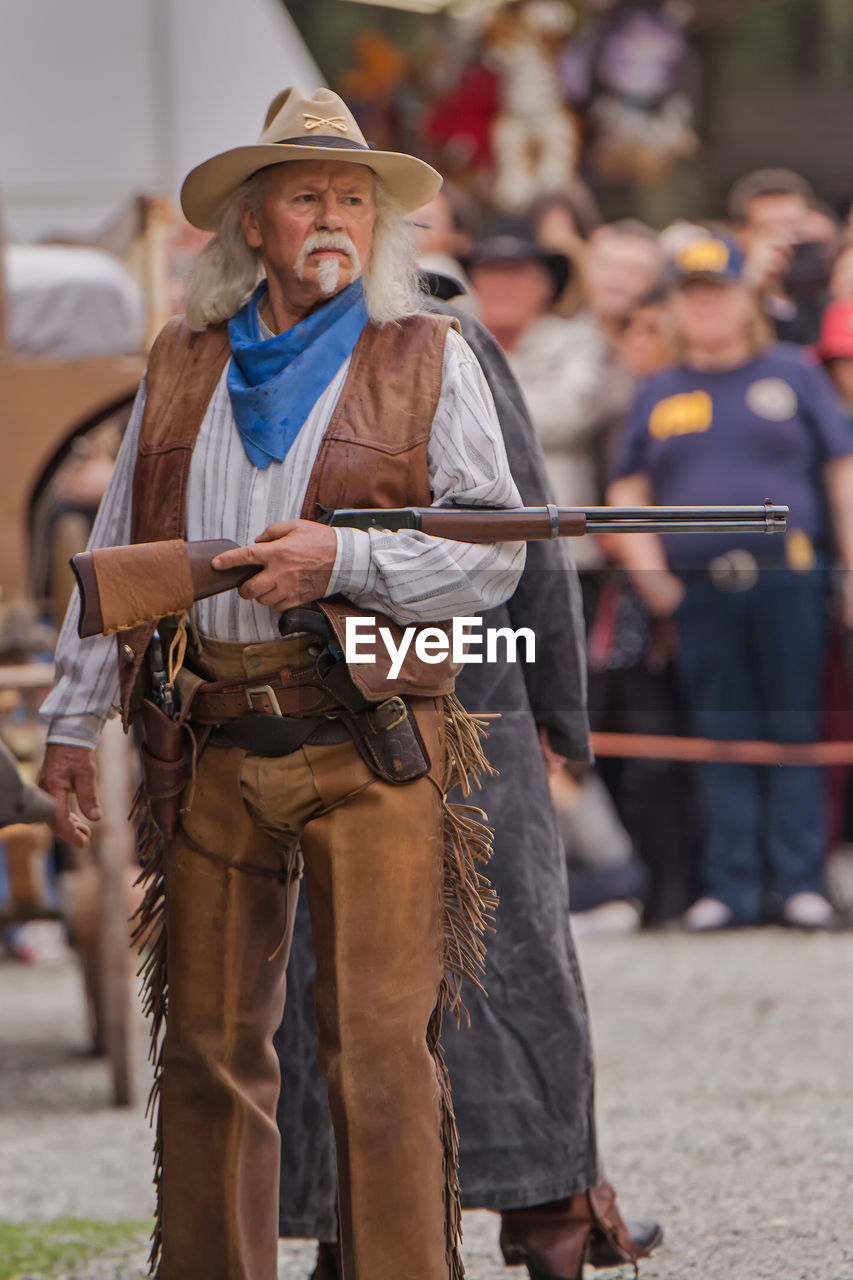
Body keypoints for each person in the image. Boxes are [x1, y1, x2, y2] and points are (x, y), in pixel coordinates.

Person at [37, 85, 527, 1280]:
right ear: (249, 223)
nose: (332, 216)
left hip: (371, 737)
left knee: (378, 1046)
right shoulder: (181, 357)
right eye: (304, 193)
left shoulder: (431, 355)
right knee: (205, 1047)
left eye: (352, 197)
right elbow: (114, 560)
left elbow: (496, 551)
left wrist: (342, 557)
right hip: (206, 737)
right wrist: (70, 720)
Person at [276, 277, 664, 1280]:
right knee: (329, 963)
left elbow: (522, 522)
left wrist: (553, 704)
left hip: (462, 684)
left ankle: (552, 1204)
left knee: (499, 937)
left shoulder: (440, 331)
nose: (322, 221)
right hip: (297, 680)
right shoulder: (226, 346)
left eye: (343, 198)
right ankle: (348, 1223)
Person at [608, 232, 853, 931]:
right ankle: (731, 883)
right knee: (717, 731)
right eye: (692, 294)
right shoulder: (658, 388)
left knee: (794, 723)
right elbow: (626, 485)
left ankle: (800, 879)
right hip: (699, 585)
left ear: (746, 297)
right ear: (677, 306)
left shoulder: (793, 372)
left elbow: (840, 470)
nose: (706, 306)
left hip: (790, 576)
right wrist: (651, 576)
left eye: (718, 292)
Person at [728, 167, 831, 346]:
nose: (785, 240)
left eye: (793, 226)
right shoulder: (724, 281)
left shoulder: (823, 280)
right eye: (770, 229)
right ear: (743, 234)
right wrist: (753, 285)